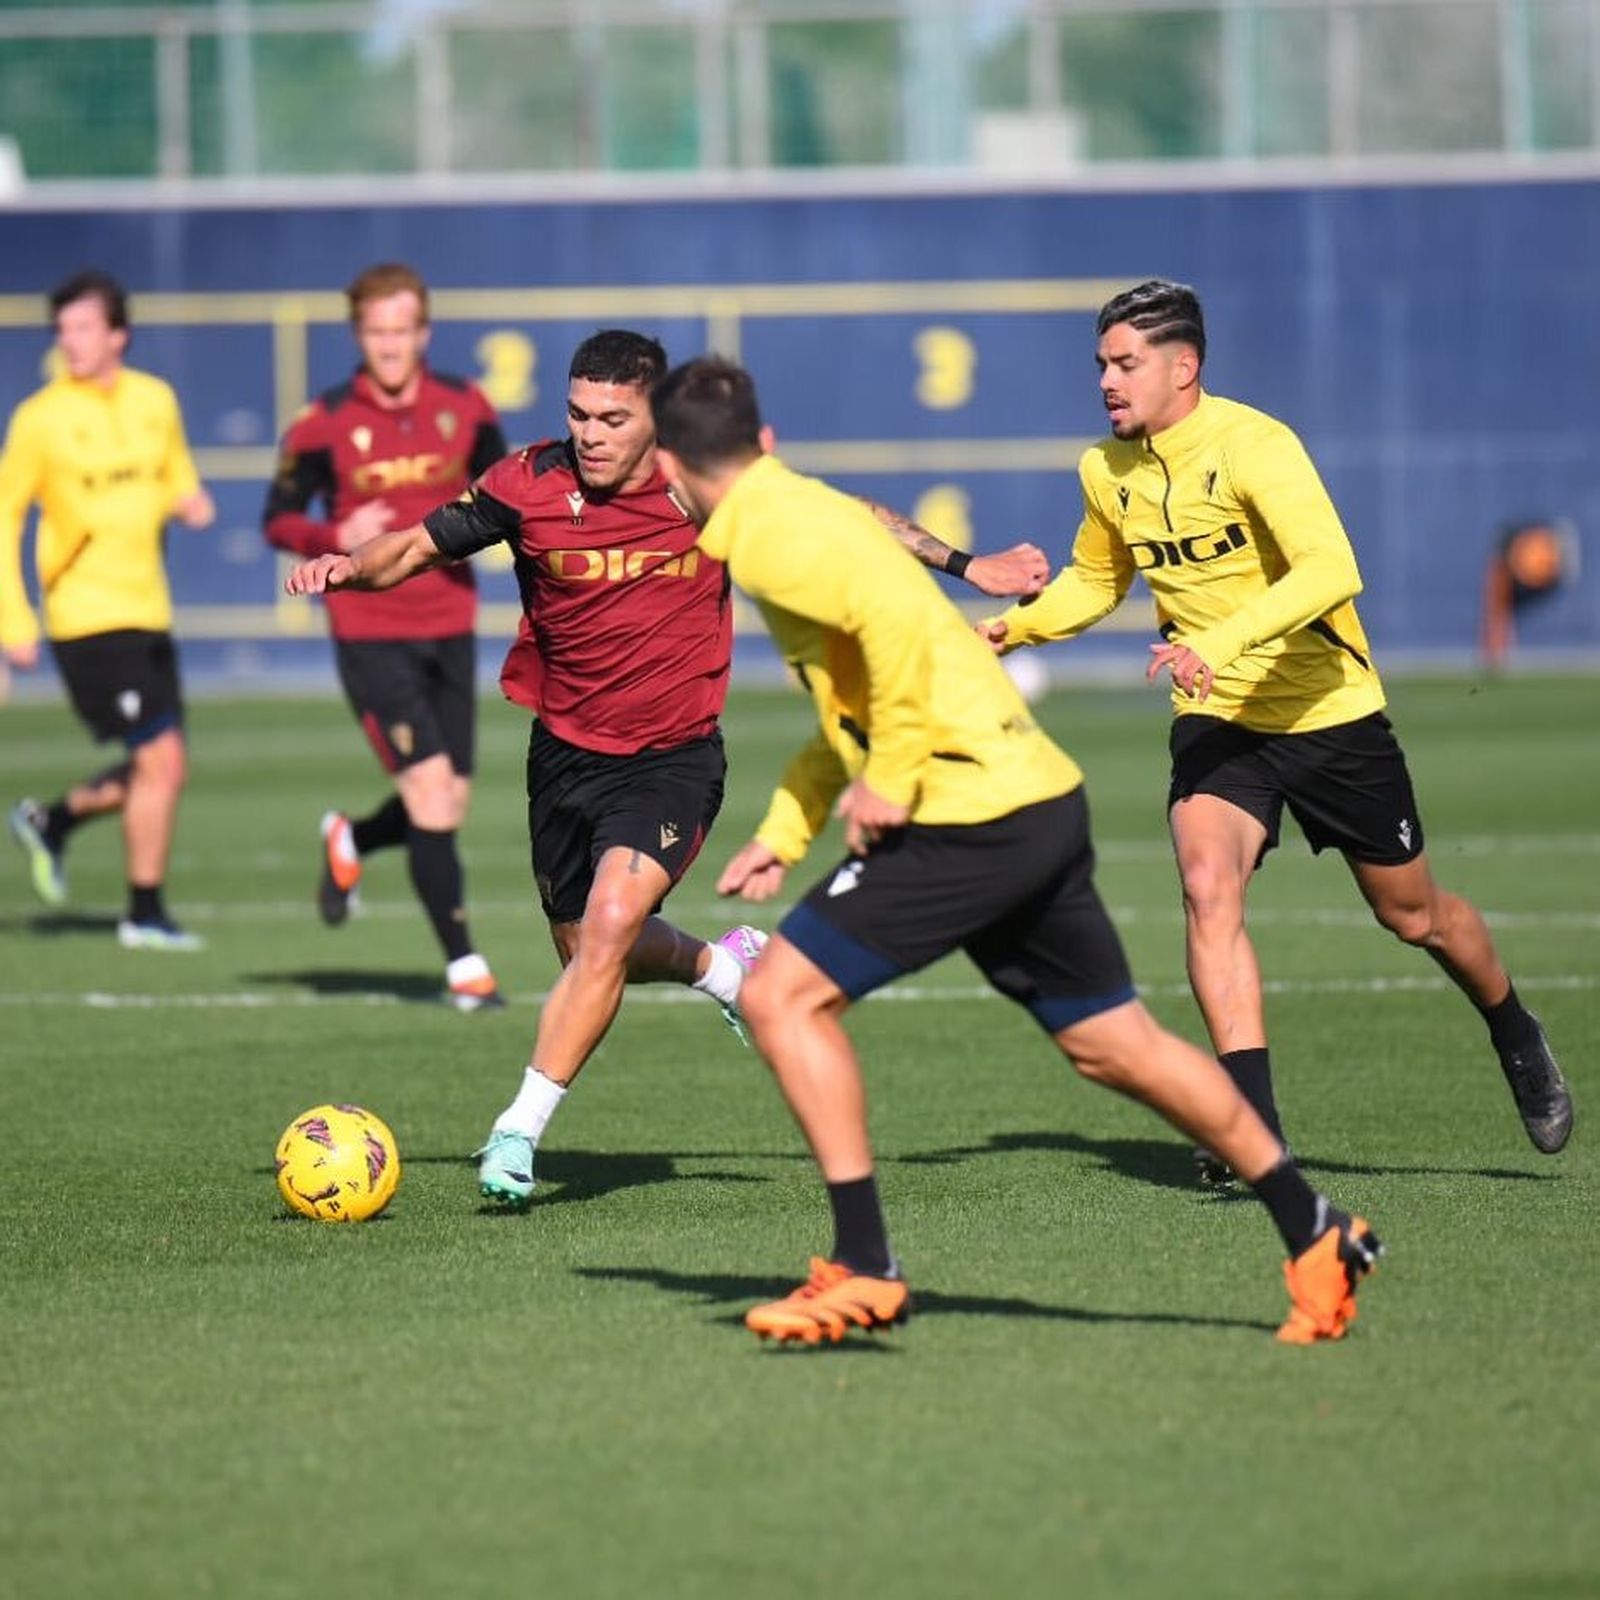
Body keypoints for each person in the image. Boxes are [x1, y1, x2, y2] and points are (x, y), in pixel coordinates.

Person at [650, 354, 1382, 1347]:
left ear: (663, 463)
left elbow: (895, 646)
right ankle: (1315, 1229)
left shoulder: (771, 540)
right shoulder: (800, 505)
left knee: (781, 994)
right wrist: (787, 828)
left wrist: (894, 777)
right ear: (764, 442)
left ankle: (866, 1267)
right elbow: (859, 694)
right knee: (1113, 1044)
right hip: (1031, 797)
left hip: (966, 812)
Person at [287, 329, 1056, 1209]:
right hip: (564, 757)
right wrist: (348, 567)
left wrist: (971, 566)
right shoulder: (528, 483)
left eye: (613, 418)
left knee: (612, 923)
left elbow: (852, 520)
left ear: (655, 417)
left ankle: (517, 1131)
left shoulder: (701, 488)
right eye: (578, 414)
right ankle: (723, 970)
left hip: (674, 757)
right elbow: (416, 547)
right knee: (589, 950)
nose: (592, 434)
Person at [981, 279, 1572, 1181]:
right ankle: (1252, 1131)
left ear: (1185, 368)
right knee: (1206, 882)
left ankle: (1512, 1025)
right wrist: (1010, 629)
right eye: (1101, 362)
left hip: (1328, 713)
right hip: (1217, 715)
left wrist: (1217, 638)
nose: (1106, 379)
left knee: (1414, 916)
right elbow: (1096, 582)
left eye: (1125, 362)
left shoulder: (1255, 444)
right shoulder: (1106, 471)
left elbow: (1332, 567)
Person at [264, 262, 509, 1010]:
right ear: (359, 336)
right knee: (432, 794)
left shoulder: (465, 408)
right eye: (377, 332)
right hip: (370, 628)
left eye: (402, 330)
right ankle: (466, 968)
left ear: (424, 333)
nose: (391, 345)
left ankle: (353, 838)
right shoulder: (321, 421)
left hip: (449, 620)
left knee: (448, 797)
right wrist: (334, 531)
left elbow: (502, 496)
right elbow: (276, 519)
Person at [2, 269, 216, 950]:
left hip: (148, 609)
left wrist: (190, 501)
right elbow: (5, 517)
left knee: (161, 766)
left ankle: (54, 821)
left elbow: (175, 473)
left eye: (83, 327)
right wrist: (13, 622)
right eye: (62, 329)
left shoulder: (155, 400)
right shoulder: (40, 418)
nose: (70, 340)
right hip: (84, 618)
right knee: (163, 760)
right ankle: (144, 913)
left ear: (117, 334)